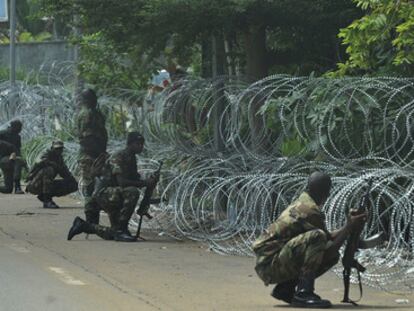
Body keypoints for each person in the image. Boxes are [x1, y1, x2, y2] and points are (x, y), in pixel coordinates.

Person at [252, 172, 366, 308]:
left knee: (325, 246)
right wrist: (348, 227)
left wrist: (349, 225)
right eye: (327, 191)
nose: (328, 195)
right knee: (319, 238)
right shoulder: (309, 210)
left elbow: (328, 238)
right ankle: (304, 294)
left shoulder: (304, 202)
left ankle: (285, 289)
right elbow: (327, 246)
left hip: (269, 262)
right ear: (324, 192)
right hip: (270, 265)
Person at [67, 132, 159, 242]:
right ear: (130, 144)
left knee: (112, 233)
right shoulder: (119, 156)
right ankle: (121, 230)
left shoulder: (131, 158)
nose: (140, 147)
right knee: (132, 192)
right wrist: (146, 183)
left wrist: (150, 180)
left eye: (142, 144)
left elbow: (134, 180)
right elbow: (123, 182)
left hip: (113, 195)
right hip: (102, 195)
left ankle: (84, 226)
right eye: (137, 144)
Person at [77, 88, 108, 224]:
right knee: (90, 187)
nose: (94, 101)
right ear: (86, 100)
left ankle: (93, 219)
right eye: (91, 98)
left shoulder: (96, 114)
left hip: (98, 155)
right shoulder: (86, 114)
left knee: (98, 187)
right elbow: (86, 138)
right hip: (89, 156)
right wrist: (98, 153)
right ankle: (90, 222)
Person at [26, 140, 78, 209]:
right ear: (52, 148)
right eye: (56, 149)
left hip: (44, 185)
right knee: (49, 170)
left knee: (73, 184)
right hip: (34, 184)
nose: (58, 151)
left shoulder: (59, 159)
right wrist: (51, 163)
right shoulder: (45, 153)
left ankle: (44, 196)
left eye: (60, 149)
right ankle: (47, 200)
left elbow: (65, 173)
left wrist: (73, 180)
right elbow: (38, 161)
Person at [0, 120, 27, 194]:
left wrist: (22, 160)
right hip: (3, 159)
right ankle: (18, 186)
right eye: (19, 127)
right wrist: (8, 145)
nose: (20, 129)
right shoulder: (3, 133)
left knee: (7, 189)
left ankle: (15, 187)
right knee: (17, 162)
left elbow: (17, 150)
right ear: (13, 127)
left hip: (13, 160)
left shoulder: (18, 137)